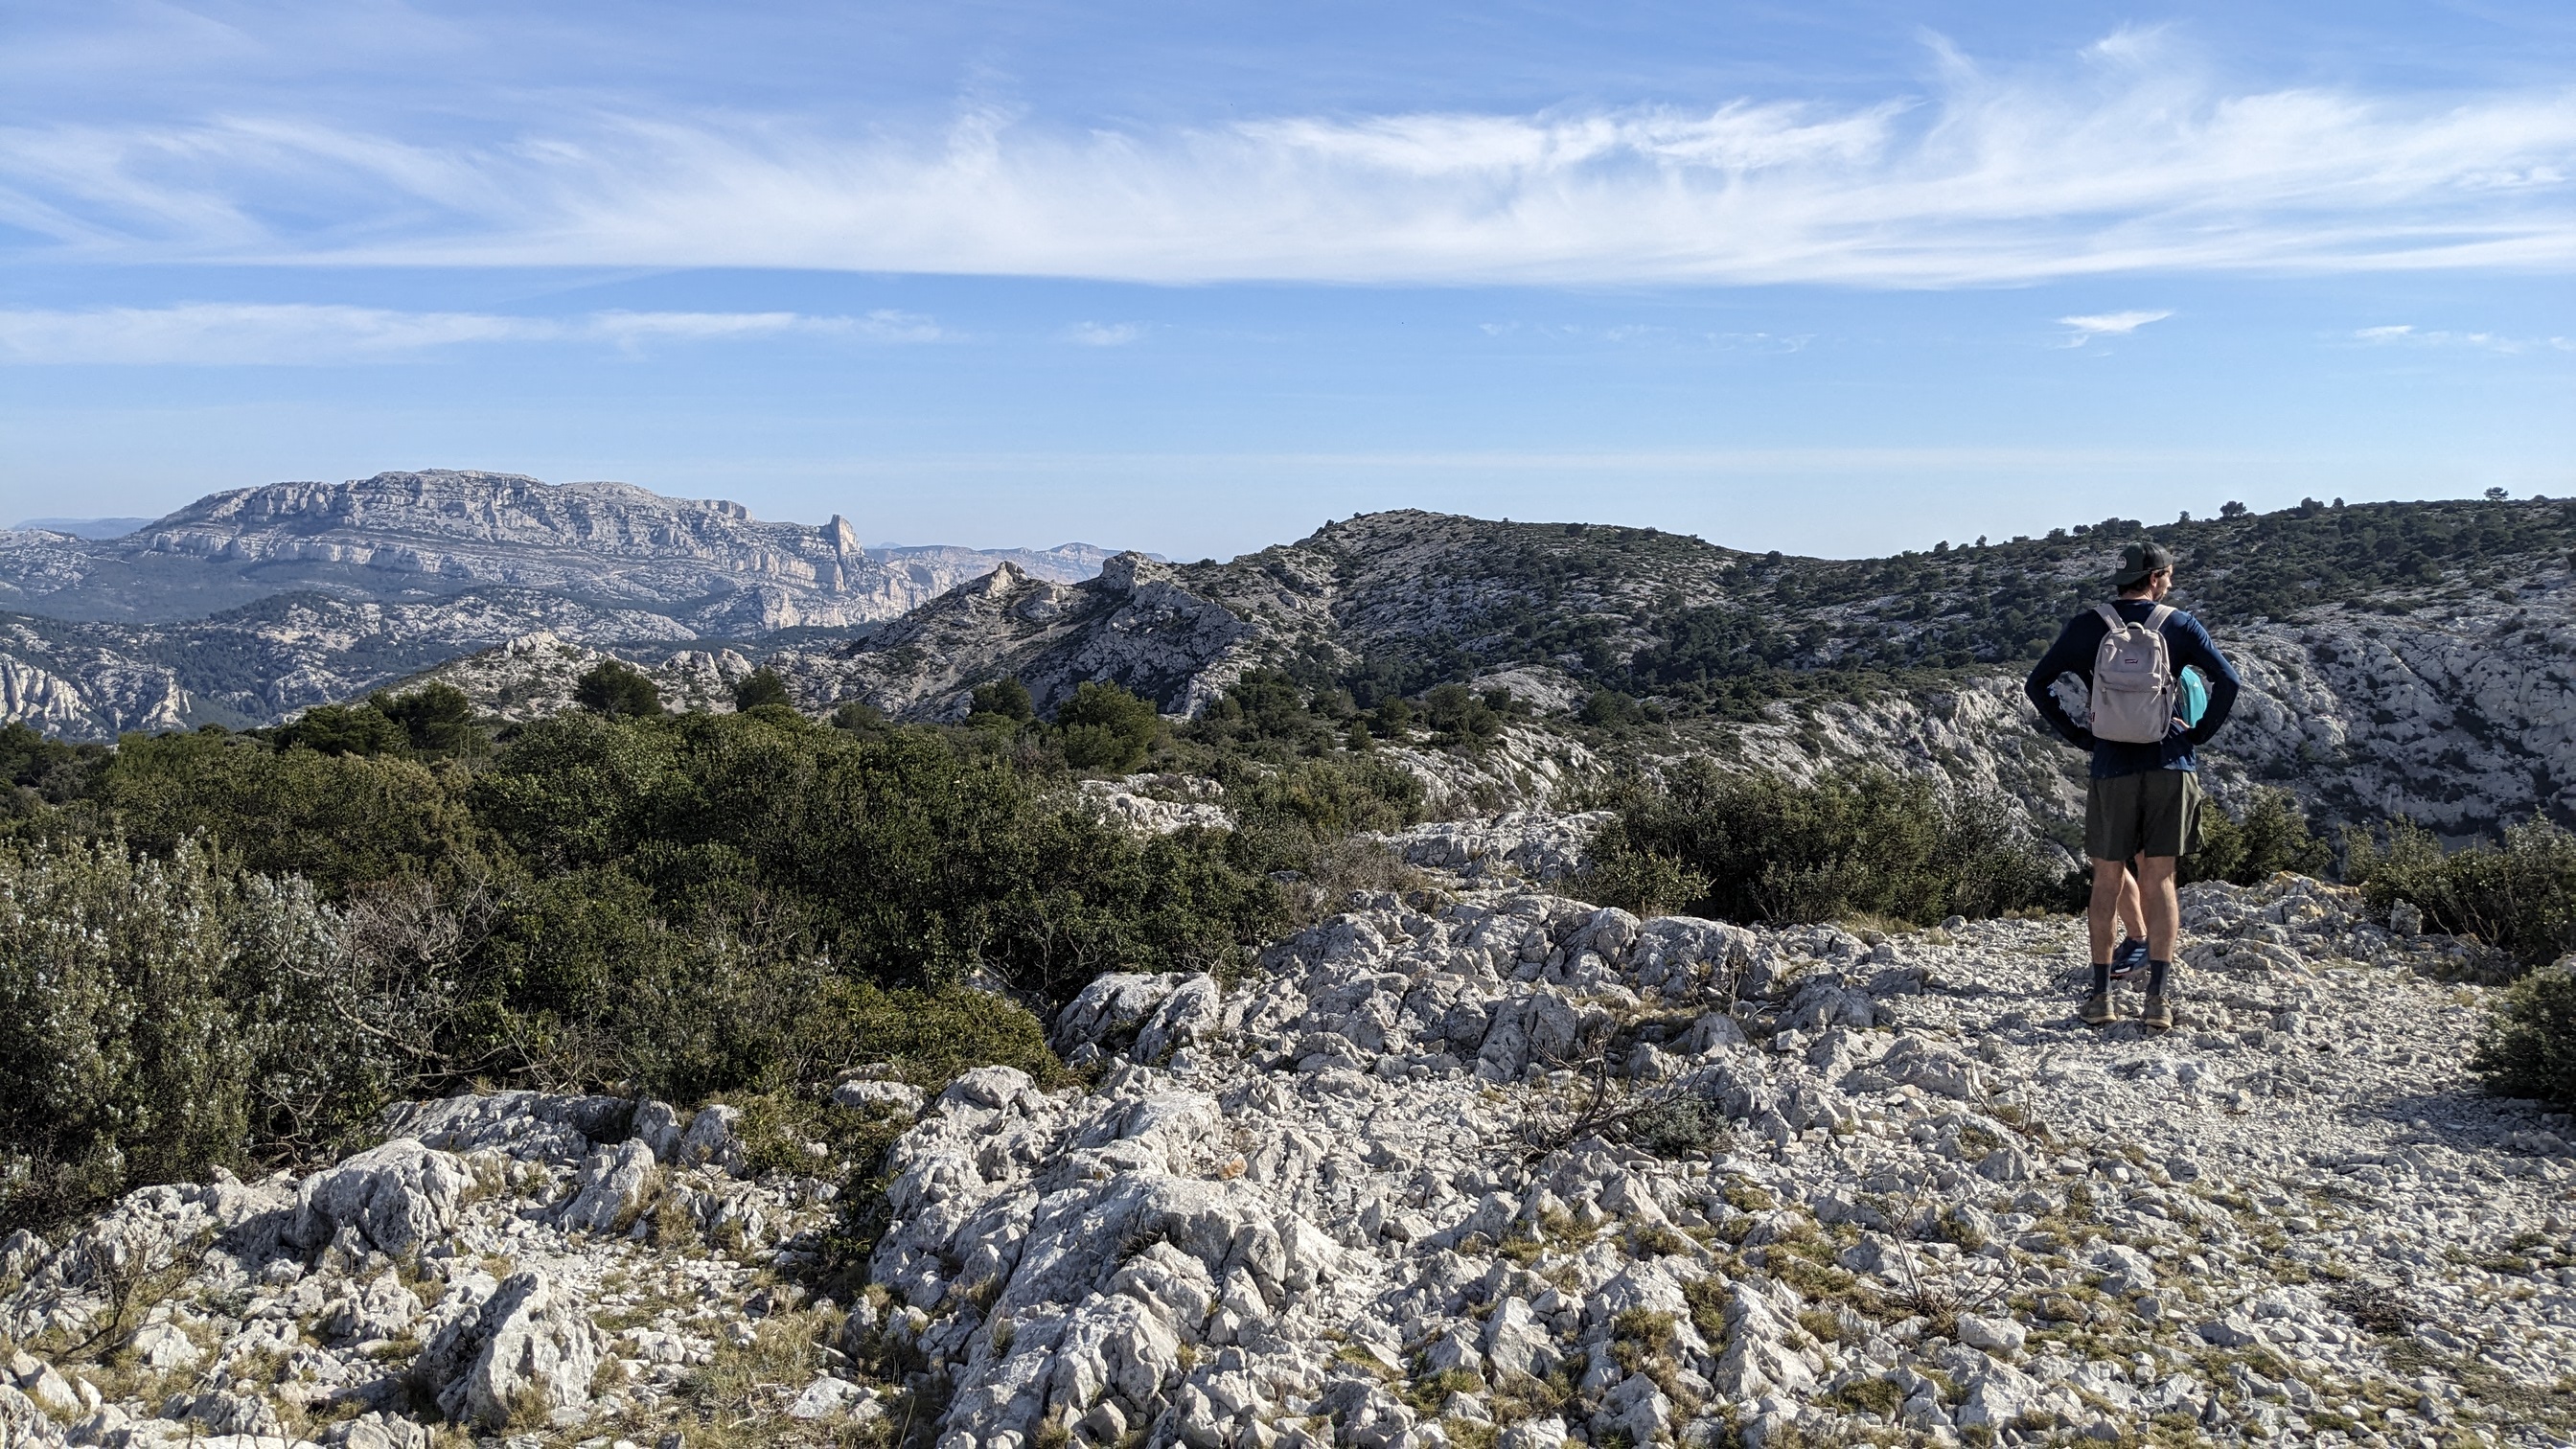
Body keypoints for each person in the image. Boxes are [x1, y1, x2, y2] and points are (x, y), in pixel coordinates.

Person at [2024, 542, 2241, 1030]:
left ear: (2122, 579)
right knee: (2159, 878)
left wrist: (2081, 736)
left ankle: (2101, 997)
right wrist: (2197, 734)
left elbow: (2037, 684)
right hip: (2171, 764)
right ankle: (2157, 1000)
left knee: (2106, 879)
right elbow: (2229, 681)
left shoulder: (2088, 626)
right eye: (2169, 575)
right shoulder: (2180, 625)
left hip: (2111, 766)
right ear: (2159, 577)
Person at [2107, 664, 2212, 978]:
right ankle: (2150, 947)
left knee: (2117, 858)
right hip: (2173, 771)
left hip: (2126, 770)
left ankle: (2142, 942)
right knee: (2154, 868)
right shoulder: (2189, 676)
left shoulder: (2123, 663)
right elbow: (2198, 720)